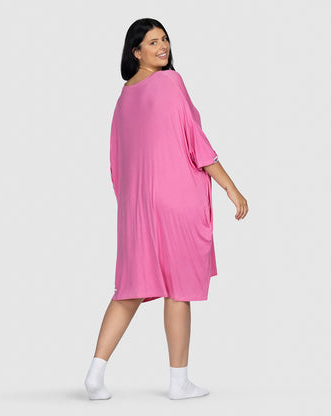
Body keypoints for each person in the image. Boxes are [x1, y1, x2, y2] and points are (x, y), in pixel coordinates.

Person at [85, 18, 248, 401]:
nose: (162, 47)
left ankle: (95, 373)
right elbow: (197, 143)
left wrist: (131, 207)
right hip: (178, 202)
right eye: (152, 42)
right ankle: (179, 382)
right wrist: (231, 187)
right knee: (179, 289)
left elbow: (117, 162)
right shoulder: (170, 82)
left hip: (137, 208)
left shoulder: (124, 97)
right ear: (135, 51)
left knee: (129, 289)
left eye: (164, 39)